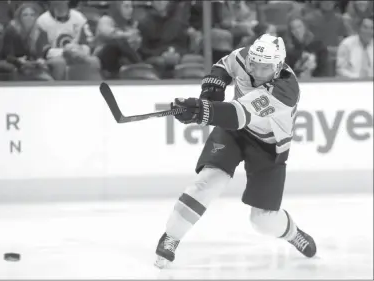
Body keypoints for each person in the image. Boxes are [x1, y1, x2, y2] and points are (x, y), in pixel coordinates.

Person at [154, 34, 317, 269]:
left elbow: (239, 115)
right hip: (234, 134)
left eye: (266, 67)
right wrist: (212, 88)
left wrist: (201, 110)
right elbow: (224, 65)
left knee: (263, 220)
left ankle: (291, 232)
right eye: (254, 64)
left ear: (278, 66)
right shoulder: (244, 56)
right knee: (209, 181)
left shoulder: (286, 90)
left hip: (269, 146)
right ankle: (171, 236)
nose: (258, 71)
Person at [94, 1, 142, 78]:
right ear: (117, 7)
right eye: (126, 6)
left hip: (121, 59)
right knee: (117, 42)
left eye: (131, 7)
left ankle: (137, 68)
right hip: (103, 57)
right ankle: (140, 65)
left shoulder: (130, 25)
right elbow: (108, 33)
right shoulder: (105, 20)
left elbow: (136, 42)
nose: (130, 10)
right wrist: (127, 35)